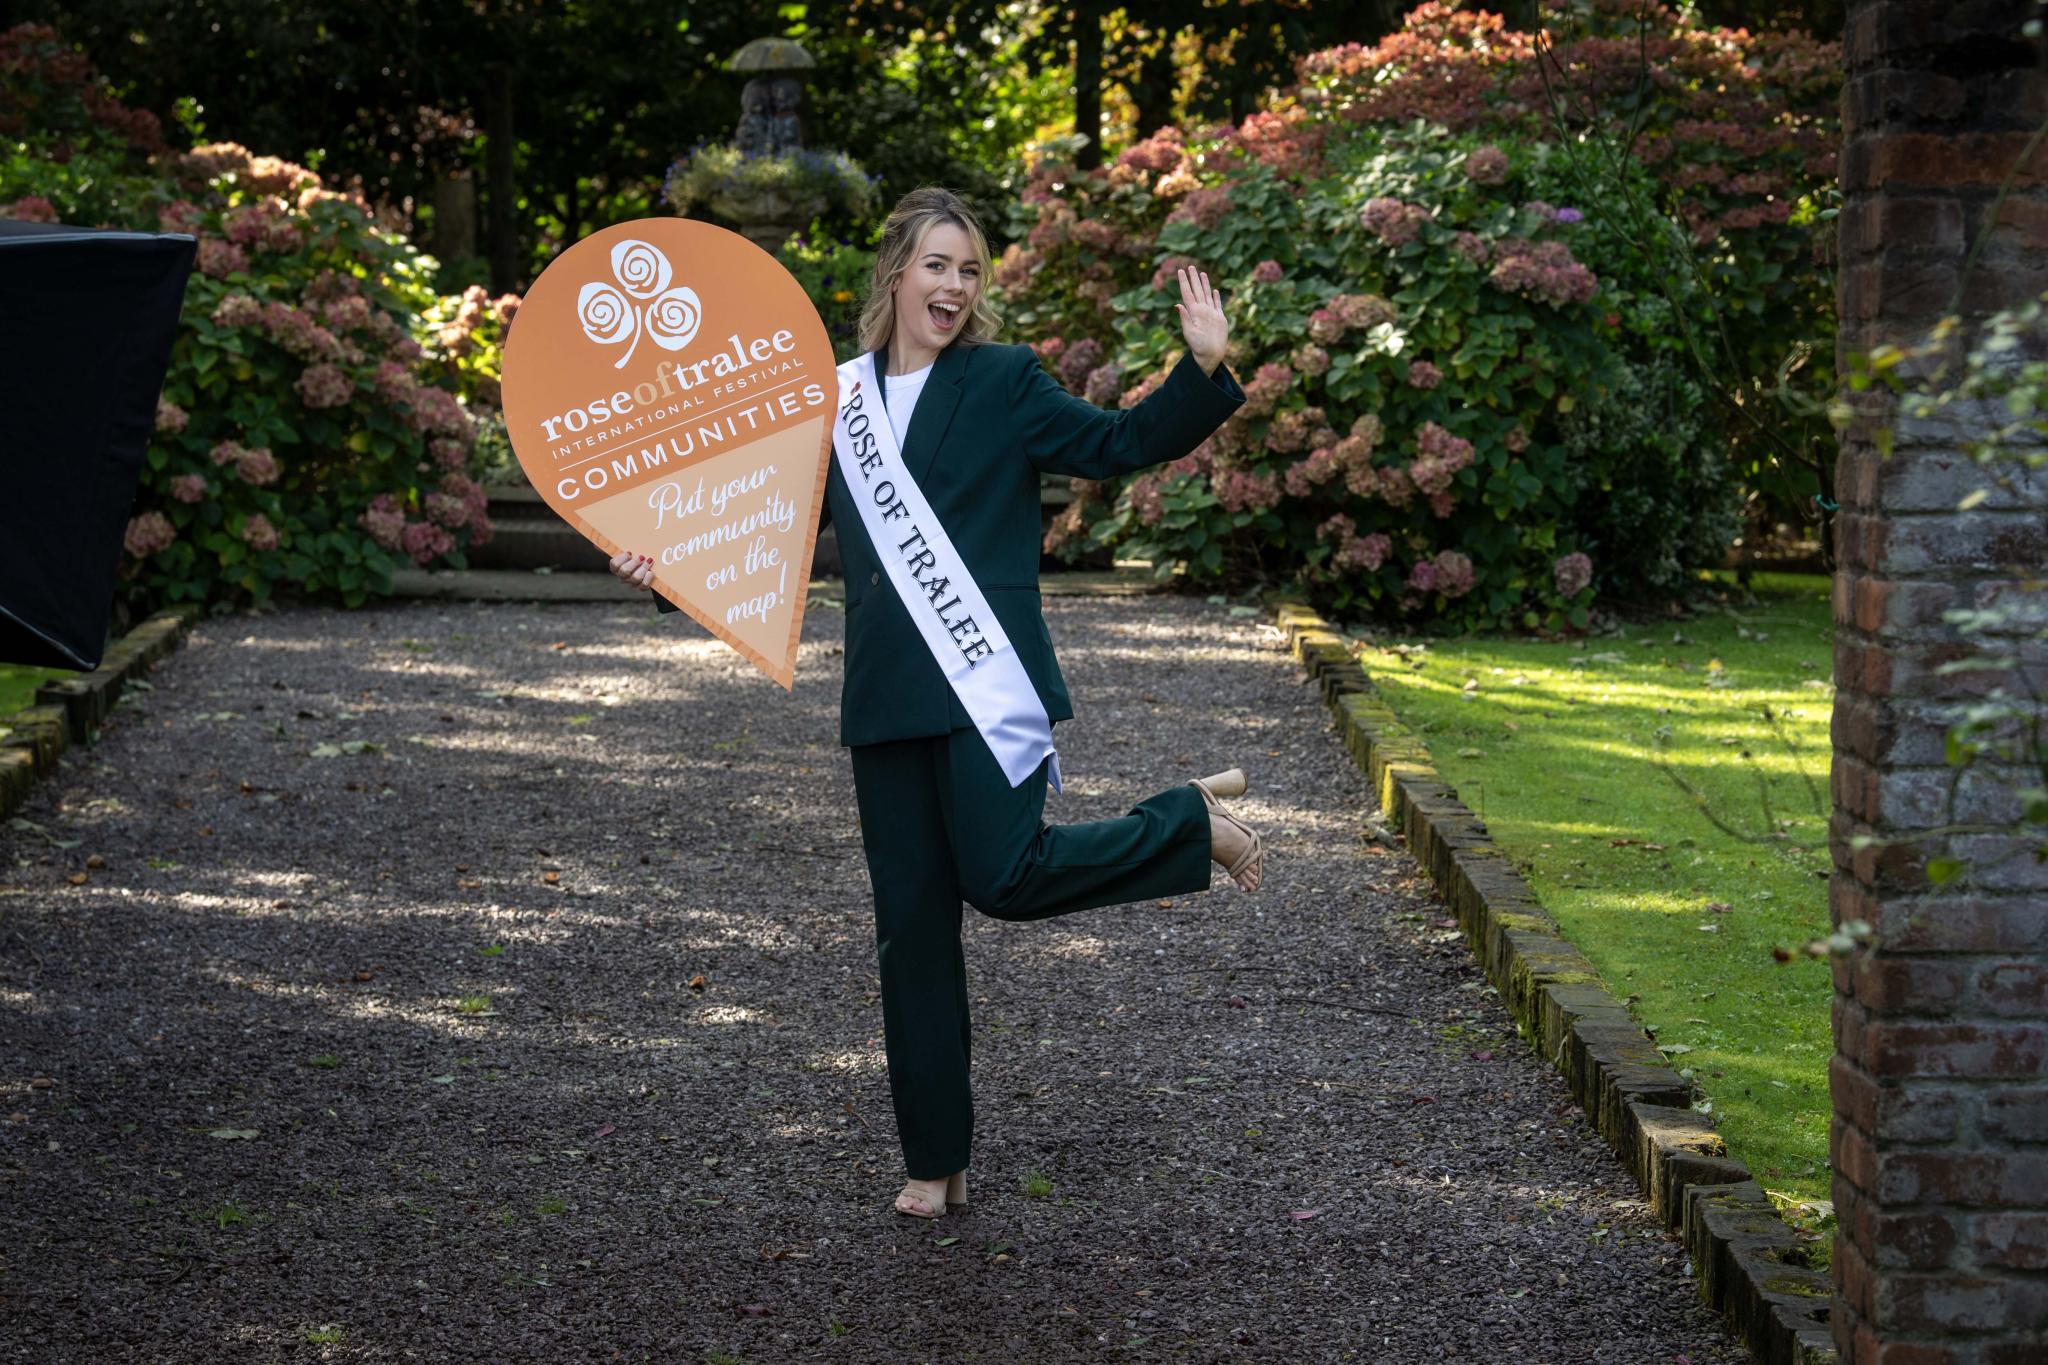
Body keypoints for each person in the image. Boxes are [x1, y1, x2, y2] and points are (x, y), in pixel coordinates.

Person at [608, 186, 1262, 1220]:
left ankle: (1188, 825)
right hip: (883, 696)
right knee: (908, 933)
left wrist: (1203, 367)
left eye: (968, 270)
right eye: (935, 266)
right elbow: (765, 527)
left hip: (981, 680)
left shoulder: (1002, 382)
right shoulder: (834, 402)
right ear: (895, 276)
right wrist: (662, 563)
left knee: (1003, 877)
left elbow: (1115, 446)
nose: (952, 287)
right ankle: (932, 1163)